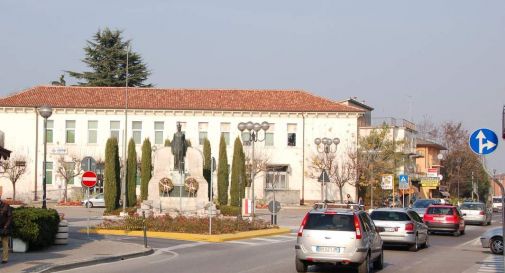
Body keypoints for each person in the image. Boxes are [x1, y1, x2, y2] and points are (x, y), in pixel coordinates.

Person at [0, 196, 12, 264]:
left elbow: (9, 217)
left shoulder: (6, 206)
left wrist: (6, 226)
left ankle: (5, 259)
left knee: (5, 243)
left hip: (4, 227)